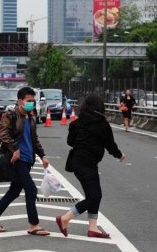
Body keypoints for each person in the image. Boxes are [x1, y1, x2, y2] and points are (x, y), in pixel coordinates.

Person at [56, 94, 126, 239]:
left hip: (78, 162)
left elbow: (70, 142)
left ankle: (93, 228)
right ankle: (65, 219)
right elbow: (110, 144)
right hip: (87, 163)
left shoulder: (77, 122)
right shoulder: (102, 123)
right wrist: (119, 155)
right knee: (94, 196)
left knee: (93, 195)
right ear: (100, 107)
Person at [0, 86, 50, 236]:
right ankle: (34, 225)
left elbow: (34, 140)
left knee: (14, 191)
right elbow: (3, 134)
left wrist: (43, 155)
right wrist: (15, 149)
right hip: (16, 159)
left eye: (33, 101)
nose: (32, 104)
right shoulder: (10, 115)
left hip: (28, 159)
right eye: (29, 101)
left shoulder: (31, 117)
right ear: (20, 100)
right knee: (31, 190)